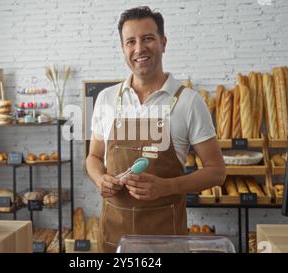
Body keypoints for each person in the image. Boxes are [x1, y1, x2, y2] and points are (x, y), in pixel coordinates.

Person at [86, 6, 226, 253]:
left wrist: (167, 187)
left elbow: (217, 172)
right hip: (114, 240)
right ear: (123, 49)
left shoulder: (189, 102)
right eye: (131, 41)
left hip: (166, 241)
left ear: (163, 42)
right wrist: (100, 179)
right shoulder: (106, 99)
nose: (139, 48)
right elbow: (94, 157)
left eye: (148, 38)